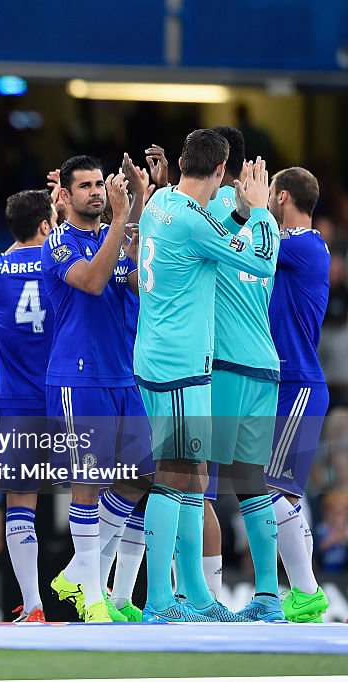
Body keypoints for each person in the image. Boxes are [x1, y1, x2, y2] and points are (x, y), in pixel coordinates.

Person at [134, 129, 277, 622]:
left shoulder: (161, 205)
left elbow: (210, 239)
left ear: (180, 163)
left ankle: (194, 595)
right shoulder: (193, 222)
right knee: (175, 475)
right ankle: (158, 600)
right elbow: (258, 259)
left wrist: (235, 214)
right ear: (221, 173)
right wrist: (258, 209)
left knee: (191, 476)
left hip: (159, 355)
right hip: (179, 364)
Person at [40, 155, 152, 623]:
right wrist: (122, 220)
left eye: (97, 184)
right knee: (87, 483)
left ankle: (77, 571)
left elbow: (136, 280)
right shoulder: (58, 242)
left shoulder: (113, 232)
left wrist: (140, 207)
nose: (95, 192)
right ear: (65, 195)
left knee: (142, 475)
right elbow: (93, 280)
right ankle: (90, 593)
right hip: (78, 376)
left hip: (122, 374)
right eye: (83, 186)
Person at [204, 127, 284, 621]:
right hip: (265, 365)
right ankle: (269, 597)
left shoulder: (210, 214)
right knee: (252, 482)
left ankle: (198, 596)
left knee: (192, 480)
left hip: (226, 363)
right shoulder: (267, 221)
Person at [0, 189, 56, 622]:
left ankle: (32, 604)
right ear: (46, 225)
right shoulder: (61, 262)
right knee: (93, 493)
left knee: (20, 501)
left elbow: (16, 247)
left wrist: (28, 226)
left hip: (16, 397)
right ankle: (102, 593)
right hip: (67, 392)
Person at [262, 166, 330, 622]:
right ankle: (302, 592)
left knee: (272, 489)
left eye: (268, 191)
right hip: (286, 383)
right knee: (281, 493)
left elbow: (251, 244)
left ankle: (306, 592)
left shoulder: (302, 244)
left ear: (282, 196)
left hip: (299, 383)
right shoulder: (300, 246)